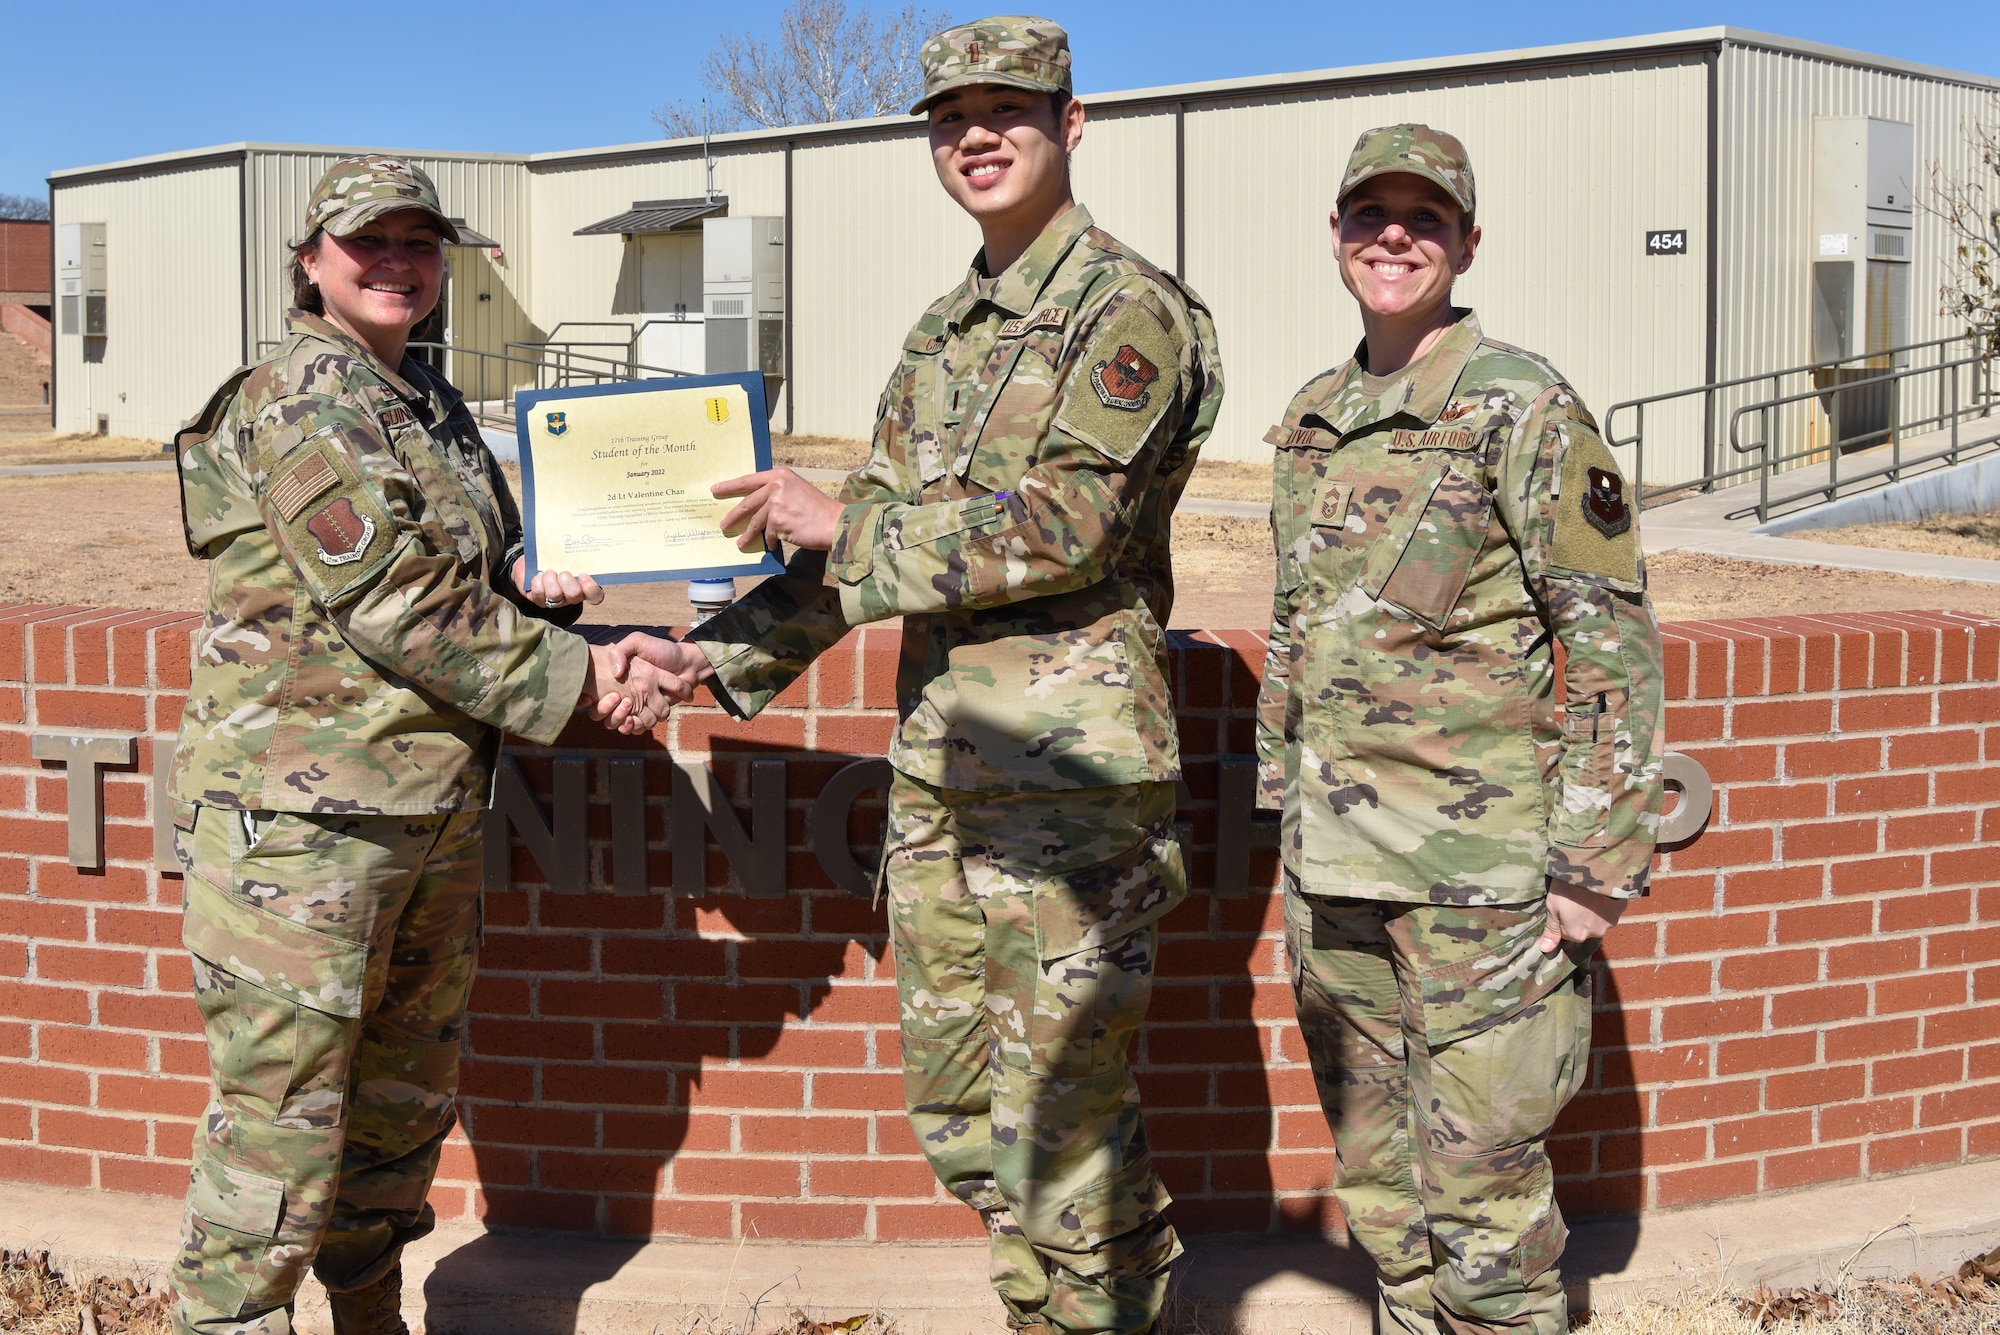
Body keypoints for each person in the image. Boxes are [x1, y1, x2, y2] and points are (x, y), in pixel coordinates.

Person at [609, 17, 1223, 1334]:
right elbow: (856, 557)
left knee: (1068, 1124)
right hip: (945, 780)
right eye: (951, 119)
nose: (977, 136)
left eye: (1009, 110)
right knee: (965, 1116)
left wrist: (850, 522)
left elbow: (1071, 526)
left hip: (1070, 790)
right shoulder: (944, 333)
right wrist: (702, 660)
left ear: (1072, 124)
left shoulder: (1126, 311)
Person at [165, 156, 680, 1335]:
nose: (397, 263)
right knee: (280, 1131)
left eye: (419, 243)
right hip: (301, 834)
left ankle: (367, 1317)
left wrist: (525, 578)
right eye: (368, 243)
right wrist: (583, 675)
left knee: (399, 1109)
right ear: (309, 261)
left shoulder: (425, 401)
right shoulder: (300, 398)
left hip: (429, 809)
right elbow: (391, 597)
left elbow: (463, 563)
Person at [1254, 124, 1665, 1335]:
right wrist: (1281, 807)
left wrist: (1593, 865)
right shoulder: (1313, 417)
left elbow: (1606, 638)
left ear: (1465, 243)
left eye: (1422, 218)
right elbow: (1295, 627)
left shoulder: (1520, 406)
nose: (1393, 236)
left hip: (1474, 888)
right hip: (1332, 873)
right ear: (1334, 236)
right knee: (1382, 1200)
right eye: (1368, 215)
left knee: (1483, 1210)